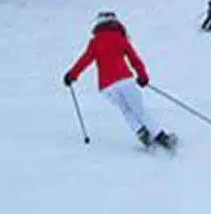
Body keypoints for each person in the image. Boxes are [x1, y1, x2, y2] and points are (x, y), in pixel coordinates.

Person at [63, 11, 176, 150]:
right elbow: (134, 59)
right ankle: (161, 137)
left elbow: (84, 60)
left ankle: (143, 135)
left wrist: (71, 75)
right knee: (140, 110)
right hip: (125, 81)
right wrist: (142, 76)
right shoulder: (119, 38)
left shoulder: (94, 42)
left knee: (126, 110)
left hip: (106, 87)